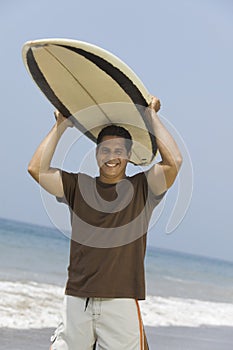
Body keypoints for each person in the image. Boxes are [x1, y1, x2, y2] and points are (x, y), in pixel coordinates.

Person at [28, 96, 182, 350]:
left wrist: (151, 116)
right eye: (106, 150)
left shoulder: (143, 188)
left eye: (119, 151)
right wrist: (61, 126)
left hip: (120, 301)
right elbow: (37, 169)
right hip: (77, 299)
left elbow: (173, 162)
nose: (112, 157)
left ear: (129, 155)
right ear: (97, 154)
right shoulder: (78, 186)